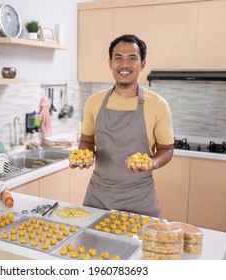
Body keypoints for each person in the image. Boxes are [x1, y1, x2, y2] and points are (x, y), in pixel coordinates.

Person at [70, 34, 174, 217]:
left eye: (132, 58)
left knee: (142, 245)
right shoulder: (94, 102)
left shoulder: (158, 104)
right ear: (110, 63)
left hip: (140, 197)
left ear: (142, 64)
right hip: (98, 197)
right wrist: (85, 156)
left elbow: (167, 149)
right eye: (118, 58)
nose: (124, 64)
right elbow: (86, 139)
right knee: (92, 245)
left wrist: (152, 163)